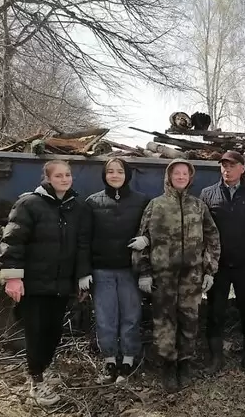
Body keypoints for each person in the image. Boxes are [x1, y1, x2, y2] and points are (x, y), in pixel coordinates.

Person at [0, 160, 91, 406]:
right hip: (35, 284)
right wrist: (13, 277)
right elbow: (13, 240)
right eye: (58, 175)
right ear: (47, 179)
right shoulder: (29, 204)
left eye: (68, 175)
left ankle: (44, 369)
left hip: (60, 285)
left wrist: (81, 278)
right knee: (36, 333)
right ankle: (36, 384)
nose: (64, 179)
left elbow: (81, 245)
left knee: (53, 332)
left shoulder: (75, 207)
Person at [132, 159, 221, 392]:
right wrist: (144, 272)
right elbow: (142, 241)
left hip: (191, 276)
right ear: (169, 177)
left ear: (190, 177)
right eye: (176, 173)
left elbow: (212, 238)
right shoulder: (156, 205)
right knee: (164, 321)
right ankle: (168, 365)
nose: (181, 177)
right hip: (163, 276)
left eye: (185, 173)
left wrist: (209, 270)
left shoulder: (198, 206)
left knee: (189, 320)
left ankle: (185, 363)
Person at [199, 151, 245, 373]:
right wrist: (204, 263)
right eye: (223, 166)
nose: (226, 170)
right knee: (215, 311)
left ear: (242, 168)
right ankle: (215, 358)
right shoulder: (207, 194)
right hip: (217, 266)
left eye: (231, 165)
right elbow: (201, 231)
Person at [82, 158, 150, 384]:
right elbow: (83, 240)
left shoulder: (141, 201)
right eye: (110, 171)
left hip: (130, 270)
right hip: (102, 271)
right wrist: (84, 271)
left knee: (131, 316)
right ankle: (110, 359)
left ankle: (129, 359)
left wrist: (146, 239)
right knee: (105, 318)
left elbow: (154, 230)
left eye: (119, 171)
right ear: (104, 176)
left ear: (127, 175)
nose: (115, 175)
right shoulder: (92, 203)